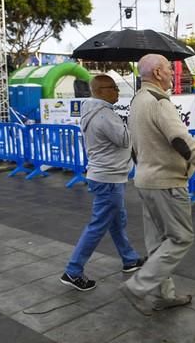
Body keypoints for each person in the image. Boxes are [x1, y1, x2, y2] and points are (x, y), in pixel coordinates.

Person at [119, 54, 195, 315]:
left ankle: (163, 295)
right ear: (157, 72)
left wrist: (143, 169)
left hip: (145, 179)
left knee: (158, 241)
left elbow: (134, 144)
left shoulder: (137, 101)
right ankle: (138, 287)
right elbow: (181, 141)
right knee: (181, 238)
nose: (172, 74)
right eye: (169, 69)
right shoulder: (159, 103)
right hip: (166, 182)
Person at [60, 74, 145, 292]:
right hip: (109, 178)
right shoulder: (105, 115)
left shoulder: (92, 110)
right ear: (99, 90)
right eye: (112, 88)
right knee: (98, 226)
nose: (117, 91)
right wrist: (134, 121)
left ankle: (129, 258)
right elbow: (126, 140)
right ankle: (73, 270)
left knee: (117, 221)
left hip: (105, 176)